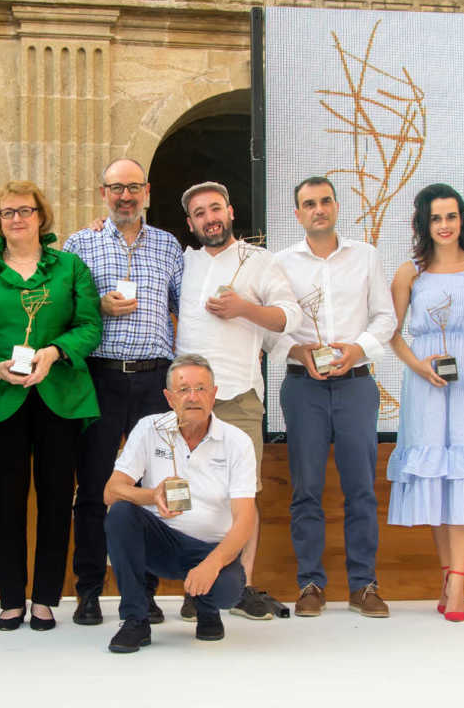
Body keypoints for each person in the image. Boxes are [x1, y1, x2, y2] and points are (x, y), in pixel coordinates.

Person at [0, 180, 101, 631]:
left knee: (57, 500)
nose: (16, 219)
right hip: (2, 399)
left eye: (25, 211)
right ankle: (11, 599)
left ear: (42, 216)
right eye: (7, 213)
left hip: (59, 395)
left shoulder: (70, 267)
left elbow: (89, 324)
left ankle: (45, 599)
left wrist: (53, 353)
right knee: (5, 501)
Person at [63, 158, 182, 626]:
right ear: (102, 192)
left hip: (155, 381)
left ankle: (143, 590)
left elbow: (185, 308)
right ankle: (89, 591)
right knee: (93, 488)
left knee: (151, 489)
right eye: (116, 188)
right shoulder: (80, 243)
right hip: (99, 378)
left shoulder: (170, 246)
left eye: (133, 187)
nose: (125, 196)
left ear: (147, 191)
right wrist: (97, 304)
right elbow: (65, 310)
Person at [271, 176, 396, 618]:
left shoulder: (365, 256)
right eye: (309, 203)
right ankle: (310, 584)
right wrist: (297, 350)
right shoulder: (280, 262)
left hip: (356, 383)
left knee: (360, 488)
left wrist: (359, 348)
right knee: (306, 488)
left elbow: (386, 317)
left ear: (337, 207)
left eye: (325, 201)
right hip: (303, 386)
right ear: (297, 213)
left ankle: (364, 585)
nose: (318, 209)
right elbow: (271, 327)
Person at [175, 181, 300, 620]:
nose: (209, 218)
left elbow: (289, 317)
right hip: (188, 401)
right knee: (190, 496)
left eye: (215, 209)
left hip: (239, 396)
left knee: (241, 496)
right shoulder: (183, 262)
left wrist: (244, 308)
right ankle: (197, 587)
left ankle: (241, 586)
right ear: (190, 224)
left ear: (230, 212)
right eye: (199, 213)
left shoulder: (259, 261)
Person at [386, 184, 464, 623]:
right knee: (438, 474)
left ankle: (457, 582)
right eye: (436, 218)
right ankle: (449, 576)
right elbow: (392, 333)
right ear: (424, 223)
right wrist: (418, 366)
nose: (444, 225)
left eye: (451, 216)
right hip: (426, 382)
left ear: (463, 219)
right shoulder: (409, 274)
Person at [102, 354, 256, 652]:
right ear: (169, 397)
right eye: (183, 390)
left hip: (210, 548)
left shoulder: (237, 441)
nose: (193, 397)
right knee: (120, 513)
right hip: (161, 543)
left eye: (200, 389)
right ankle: (135, 619)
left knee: (228, 592)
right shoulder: (150, 428)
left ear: (214, 394)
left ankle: (208, 611)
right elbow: (111, 491)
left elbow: (245, 519)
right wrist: (150, 496)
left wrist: (211, 565)